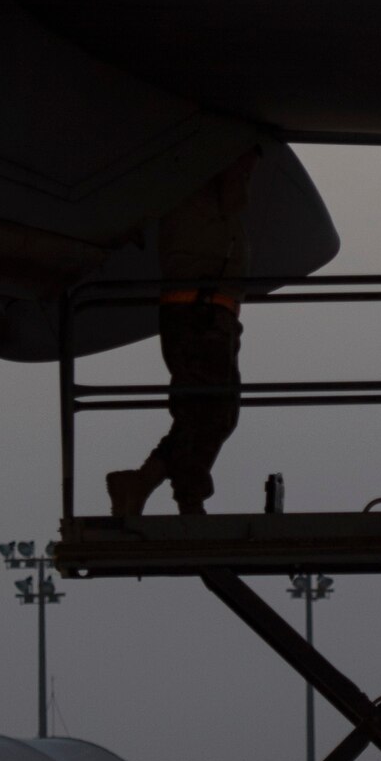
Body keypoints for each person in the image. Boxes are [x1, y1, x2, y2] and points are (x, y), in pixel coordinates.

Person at [106, 148, 260, 517]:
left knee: (211, 413)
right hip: (201, 311)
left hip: (208, 311)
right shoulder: (205, 176)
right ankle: (182, 494)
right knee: (208, 413)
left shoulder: (196, 187)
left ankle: (144, 482)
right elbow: (234, 195)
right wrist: (243, 159)